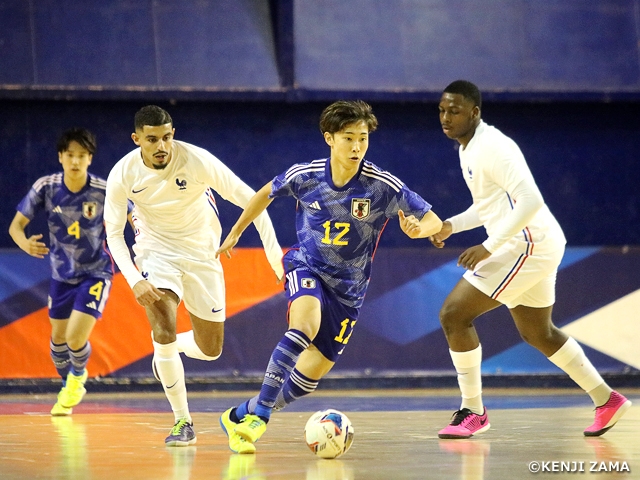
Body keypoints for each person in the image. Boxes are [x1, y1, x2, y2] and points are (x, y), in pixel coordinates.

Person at [216, 100, 443, 454]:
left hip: (349, 292)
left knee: (306, 380)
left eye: (363, 139)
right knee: (303, 325)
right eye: (349, 138)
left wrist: (418, 229)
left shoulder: (381, 186)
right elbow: (264, 193)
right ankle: (259, 417)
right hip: (306, 266)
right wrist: (236, 230)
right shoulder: (304, 176)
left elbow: (433, 219)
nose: (356, 147)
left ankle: (237, 414)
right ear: (329, 138)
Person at [430, 80, 631, 439]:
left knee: (454, 315)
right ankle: (607, 399)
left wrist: (490, 247)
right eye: (442, 110)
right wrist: (450, 226)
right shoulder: (468, 147)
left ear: (474, 113)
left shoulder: (493, 147)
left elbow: (530, 200)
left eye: (455, 111)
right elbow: (489, 206)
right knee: (538, 332)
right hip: (538, 243)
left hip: (528, 246)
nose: (446, 117)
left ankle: (474, 411)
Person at [103, 105, 284, 447]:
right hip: (156, 253)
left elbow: (254, 200)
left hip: (203, 255)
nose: (162, 146)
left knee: (210, 348)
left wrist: (276, 259)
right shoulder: (122, 174)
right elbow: (114, 234)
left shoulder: (196, 160)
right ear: (137, 139)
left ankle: (166, 353)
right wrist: (134, 279)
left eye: (167, 137)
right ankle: (182, 421)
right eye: (152, 139)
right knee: (163, 323)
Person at [9, 128, 116, 416]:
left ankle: (78, 378)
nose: (75, 161)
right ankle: (68, 382)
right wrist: (25, 244)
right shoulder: (46, 187)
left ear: (90, 159)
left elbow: (133, 214)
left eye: (82, 156)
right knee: (57, 343)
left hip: (96, 272)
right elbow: (15, 226)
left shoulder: (103, 190)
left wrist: (141, 248)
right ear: (60, 157)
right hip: (61, 276)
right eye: (70, 155)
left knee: (75, 339)